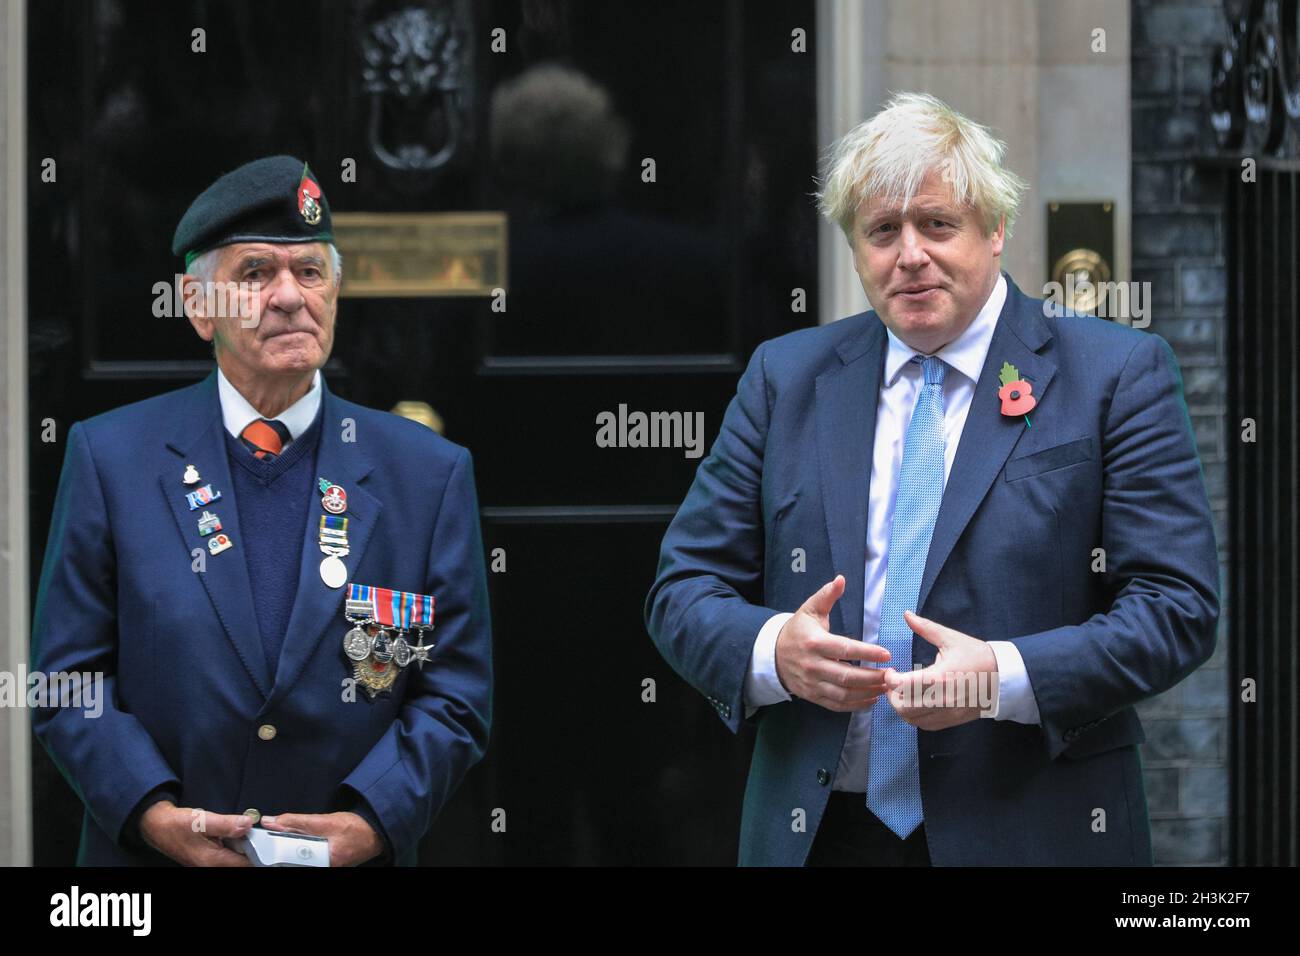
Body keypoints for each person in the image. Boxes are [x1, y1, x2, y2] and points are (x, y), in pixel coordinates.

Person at [644, 93, 1219, 866]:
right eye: (883, 231)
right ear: (855, 250)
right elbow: (682, 591)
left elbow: (1177, 608)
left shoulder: (1114, 374)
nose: (909, 253)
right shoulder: (786, 377)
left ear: (995, 230)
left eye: (937, 224)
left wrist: (1003, 677)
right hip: (819, 834)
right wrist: (774, 649)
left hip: (1031, 830)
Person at [30, 155, 492, 866]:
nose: (288, 296)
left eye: (309, 272)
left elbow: (454, 695)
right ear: (196, 304)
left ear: (334, 294)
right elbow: (67, 684)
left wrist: (374, 819)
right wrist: (152, 813)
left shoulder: (425, 474)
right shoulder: (111, 458)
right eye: (254, 274)